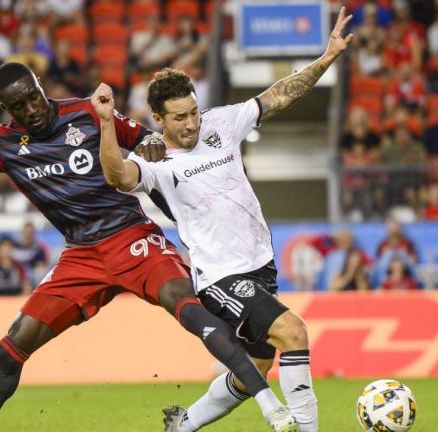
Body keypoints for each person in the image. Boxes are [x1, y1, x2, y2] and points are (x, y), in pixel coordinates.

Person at [0, 62, 297, 432]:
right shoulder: (0, 144)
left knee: (187, 308)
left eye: (35, 97)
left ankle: (270, 408)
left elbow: (148, 138)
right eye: (20, 105)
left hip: (131, 236)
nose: (32, 108)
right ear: (8, 110)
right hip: (80, 255)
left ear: (41, 90)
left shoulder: (85, 112)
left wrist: (149, 142)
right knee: (13, 343)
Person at [95, 8, 354, 431]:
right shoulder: (156, 163)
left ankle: (183, 425)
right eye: (180, 117)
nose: (192, 123)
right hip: (220, 277)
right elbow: (115, 175)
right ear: (158, 120)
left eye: (194, 111)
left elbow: (279, 95)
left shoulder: (221, 124)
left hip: (259, 265)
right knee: (294, 332)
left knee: (254, 367)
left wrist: (326, 59)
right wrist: (107, 125)